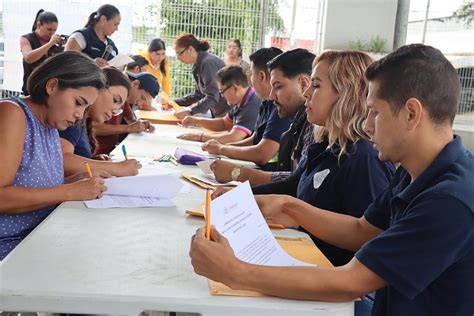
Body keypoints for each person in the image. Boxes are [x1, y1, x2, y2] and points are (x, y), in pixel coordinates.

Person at [190, 44, 474, 315]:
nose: (367, 124)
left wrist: (235, 272)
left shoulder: (449, 200)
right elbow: (364, 230)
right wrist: (289, 207)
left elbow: (351, 282)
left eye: (375, 112)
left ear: (411, 114)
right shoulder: (416, 170)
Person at [0, 51, 108, 260]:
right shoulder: (12, 114)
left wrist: (76, 181)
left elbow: (35, 185)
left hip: (38, 238)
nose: (79, 115)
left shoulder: (49, 126)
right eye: (78, 102)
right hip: (9, 250)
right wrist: (68, 191)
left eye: (86, 108)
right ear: (52, 86)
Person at [208, 49, 316, 184]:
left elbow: (296, 181)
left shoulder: (312, 124)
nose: (272, 96)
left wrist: (235, 171)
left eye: (317, 85)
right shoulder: (298, 119)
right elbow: (297, 181)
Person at [201, 47, 291, 171]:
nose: (249, 79)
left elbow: (262, 154)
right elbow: (255, 139)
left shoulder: (280, 107)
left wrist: (222, 149)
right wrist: (223, 147)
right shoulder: (266, 103)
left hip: (270, 175)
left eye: (251, 74)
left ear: (262, 76)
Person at [59, 67, 142, 177]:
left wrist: (94, 161)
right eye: (116, 100)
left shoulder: (83, 122)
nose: (114, 110)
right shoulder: (74, 119)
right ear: (98, 88)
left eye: (119, 107)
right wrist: (116, 168)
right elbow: (62, 160)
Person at [177, 65, 261, 144]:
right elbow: (224, 123)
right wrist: (196, 121)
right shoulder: (243, 99)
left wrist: (200, 137)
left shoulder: (252, 105)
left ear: (234, 88)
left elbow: (233, 138)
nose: (222, 95)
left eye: (222, 91)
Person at [94, 72, 159, 155]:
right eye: (141, 97)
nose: (139, 104)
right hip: (95, 153)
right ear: (135, 84)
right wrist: (128, 128)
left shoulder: (125, 102)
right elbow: (93, 127)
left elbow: (132, 120)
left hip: (109, 152)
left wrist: (141, 124)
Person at [173, 33, 227, 119]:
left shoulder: (208, 63)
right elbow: (199, 95)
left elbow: (212, 96)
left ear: (190, 49)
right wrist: (174, 103)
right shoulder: (197, 65)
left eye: (180, 53)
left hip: (230, 114)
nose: (178, 57)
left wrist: (190, 111)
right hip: (220, 114)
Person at [20, 10, 64, 95]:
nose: (52, 33)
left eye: (54, 30)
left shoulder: (55, 43)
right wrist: (50, 43)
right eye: (49, 29)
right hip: (31, 89)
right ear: (39, 25)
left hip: (50, 89)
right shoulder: (26, 38)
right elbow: (28, 58)